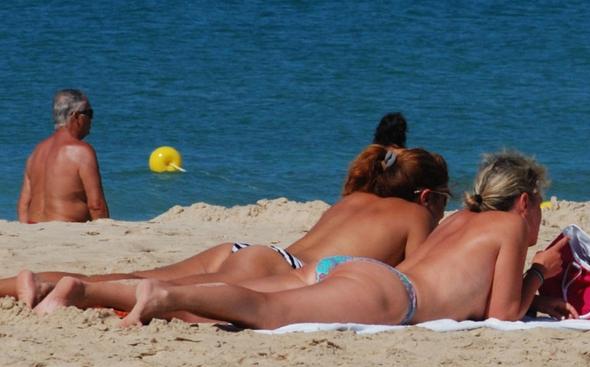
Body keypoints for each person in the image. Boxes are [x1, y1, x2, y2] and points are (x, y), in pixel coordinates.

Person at [34, 149, 575, 327]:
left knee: (262, 301)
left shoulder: (460, 217)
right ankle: (163, 298)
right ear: (524, 202)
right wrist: (538, 273)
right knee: (262, 310)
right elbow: (502, 316)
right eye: (539, 206)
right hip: (390, 294)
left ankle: (82, 290)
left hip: (355, 271)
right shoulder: (508, 227)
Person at [10, 144, 451, 309]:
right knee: (170, 300)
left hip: (253, 251)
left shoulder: (356, 198)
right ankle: (77, 295)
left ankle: (18, 283)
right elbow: (414, 283)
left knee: (143, 277)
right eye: (444, 200)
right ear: (427, 197)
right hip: (280, 268)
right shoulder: (415, 217)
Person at [17, 89, 109, 223]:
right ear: (76, 116)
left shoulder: (37, 151)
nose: (91, 120)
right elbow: (96, 206)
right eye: (89, 113)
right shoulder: (81, 151)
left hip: (33, 227)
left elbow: (23, 206)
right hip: (66, 227)